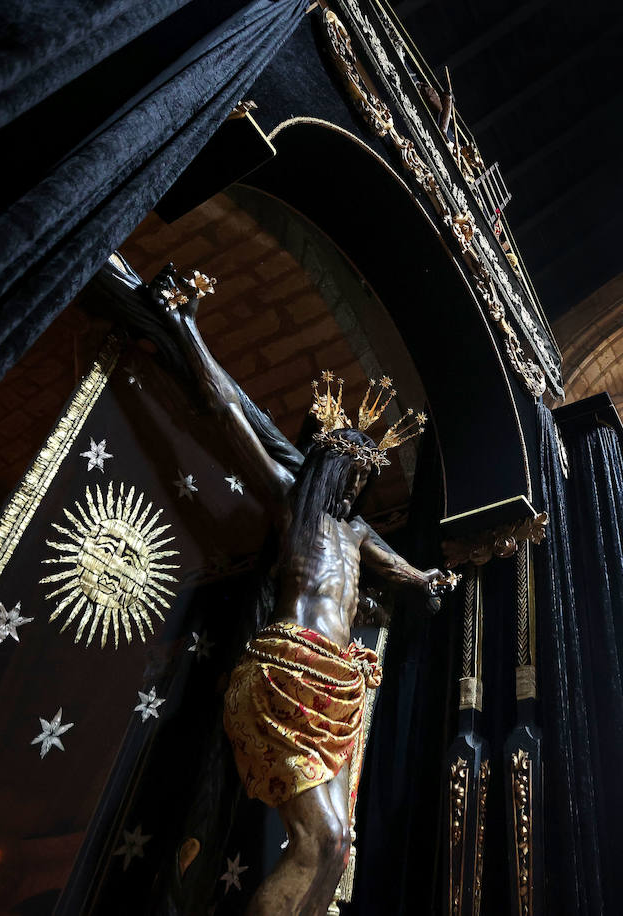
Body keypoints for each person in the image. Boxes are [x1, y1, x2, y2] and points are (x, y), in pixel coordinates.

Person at [156, 275, 456, 915]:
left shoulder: (356, 532)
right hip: (289, 670)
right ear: (329, 464)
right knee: (314, 836)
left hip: (339, 682)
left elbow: (404, 574)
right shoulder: (295, 506)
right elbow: (229, 410)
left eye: (365, 480)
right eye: (350, 471)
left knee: (339, 843)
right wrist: (188, 326)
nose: (356, 488)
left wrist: (432, 582)